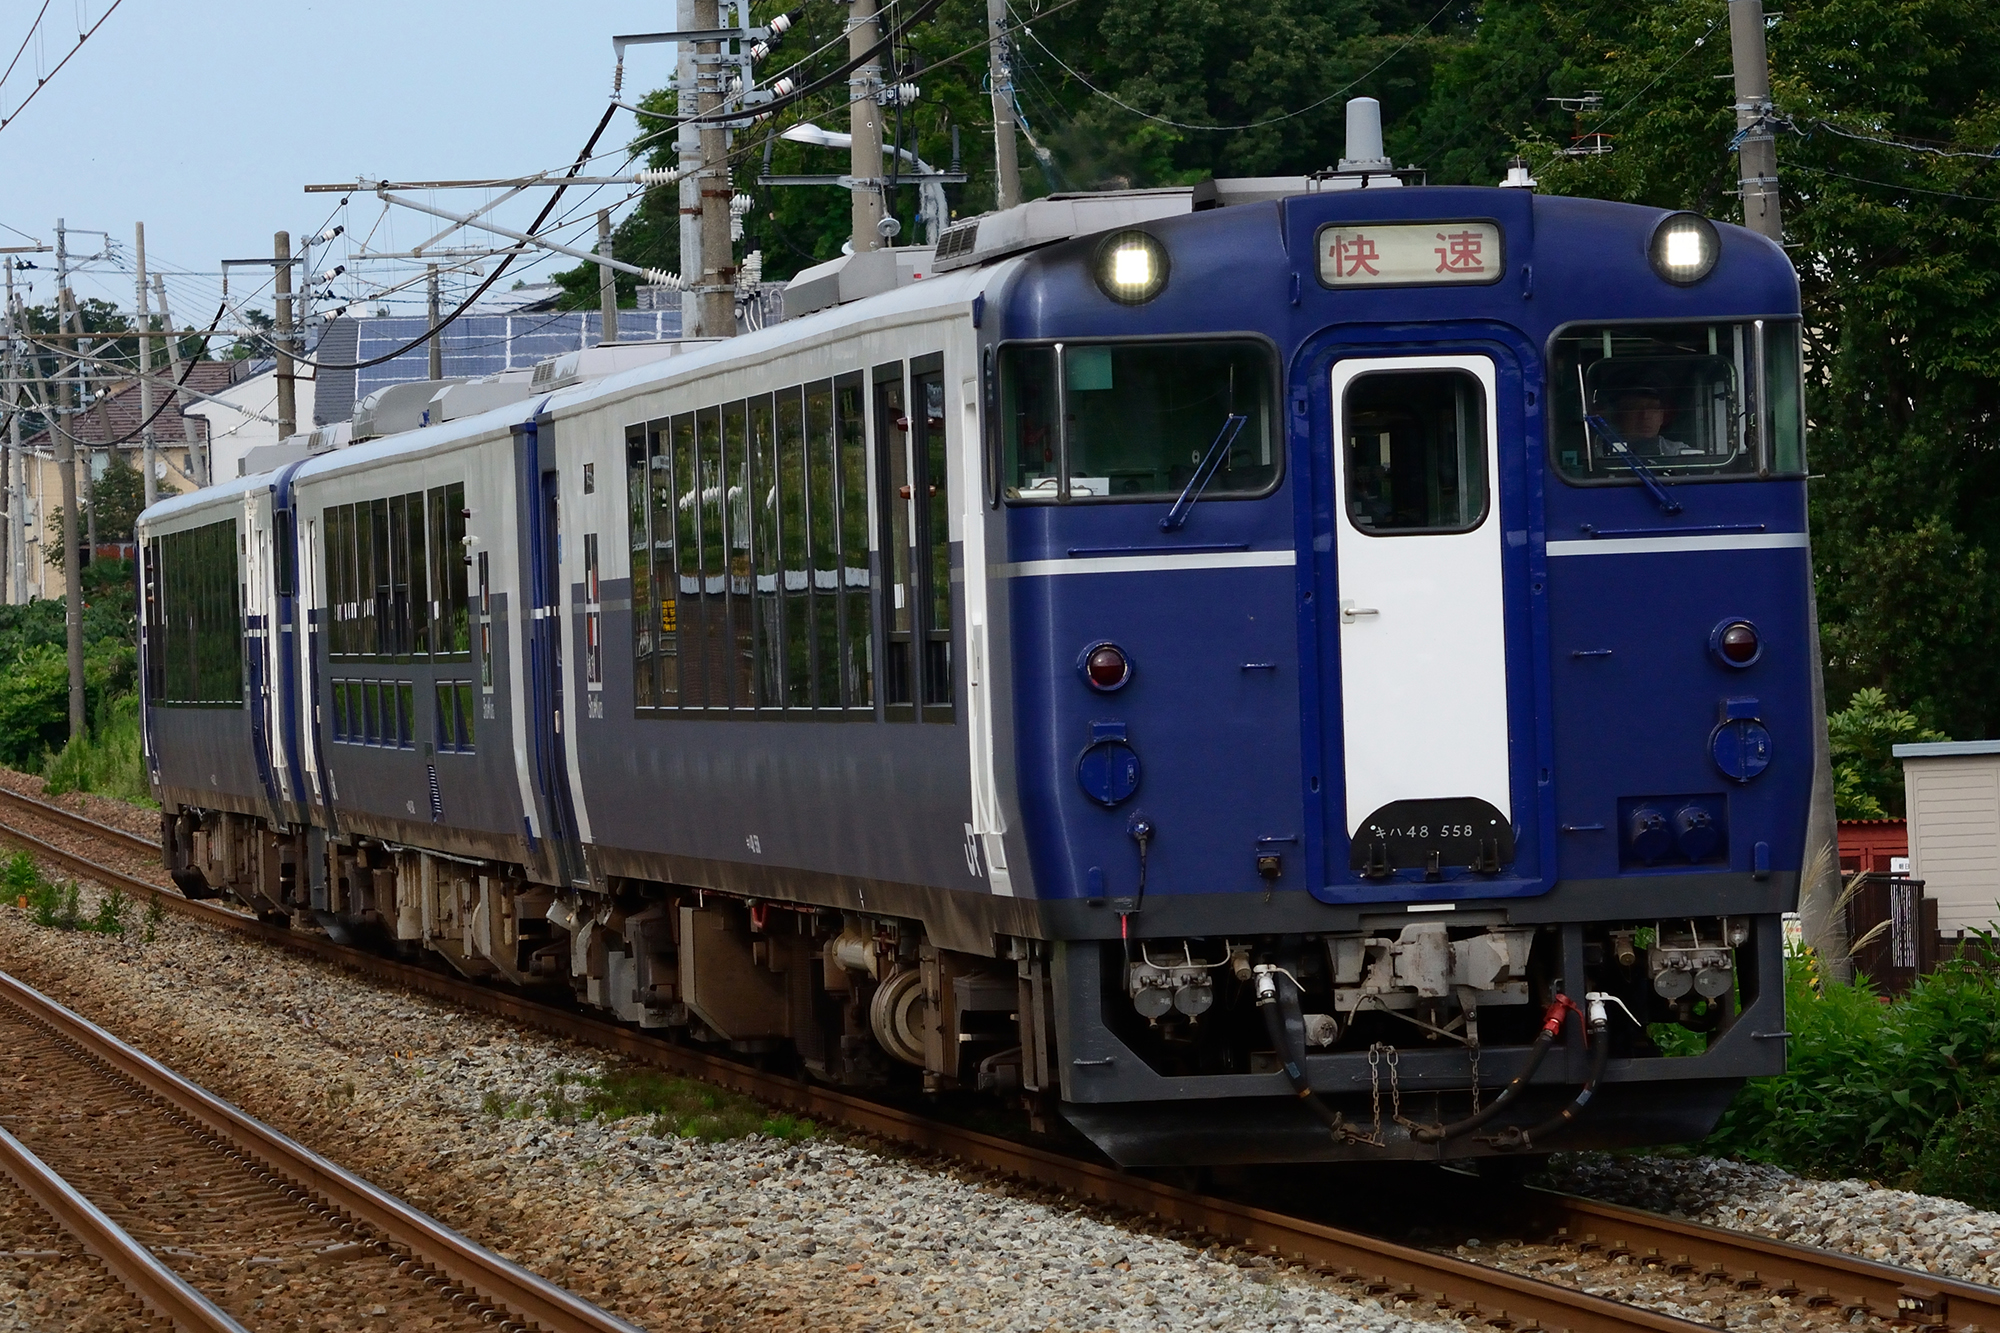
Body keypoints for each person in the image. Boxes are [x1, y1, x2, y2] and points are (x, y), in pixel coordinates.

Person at [1607, 386, 1697, 457]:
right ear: (1620, 416)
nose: (1645, 416)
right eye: (1635, 408)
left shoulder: (1676, 453)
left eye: (1653, 408)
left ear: (1661, 416)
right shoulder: (1605, 453)